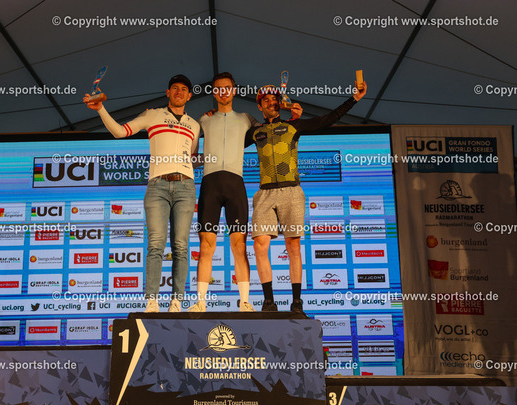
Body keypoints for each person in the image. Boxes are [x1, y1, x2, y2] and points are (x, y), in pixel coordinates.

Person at [246, 80, 367, 313]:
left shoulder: (294, 126)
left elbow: (327, 119)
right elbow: (228, 135)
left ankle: (296, 302)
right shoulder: (254, 132)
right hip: (264, 192)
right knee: (260, 245)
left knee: (293, 245)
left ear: (280, 104)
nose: (271, 103)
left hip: (292, 190)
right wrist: (213, 114)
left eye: (274, 100)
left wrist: (354, 99)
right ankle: (269, 302)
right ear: (260, 107)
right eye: (266, 101)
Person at [84, 75, 200, 313]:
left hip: (186, 187)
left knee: (180, 246)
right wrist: (101, 109)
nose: (179, 92)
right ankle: (152, 301)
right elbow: (119, 132)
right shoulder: (152, 115)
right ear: (167, 93)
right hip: (157, 186)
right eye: (175, 88)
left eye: (184, 89)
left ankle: (177, 302)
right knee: (156, 244)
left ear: (189, 96)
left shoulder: (195, 125)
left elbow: (191, 156)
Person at [189, 72, 301, 312]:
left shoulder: (247, 119)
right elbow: (192, 156)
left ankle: (246, 302)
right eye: (218, 88)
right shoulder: (204, 119)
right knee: (206, 246)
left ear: (234, 90)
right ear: (213, 92)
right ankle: (200, 302)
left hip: (236, 185)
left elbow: (272, 126)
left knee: (239, 246)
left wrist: (291, 114)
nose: (223, 92)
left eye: (227, 87)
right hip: (209, 186)